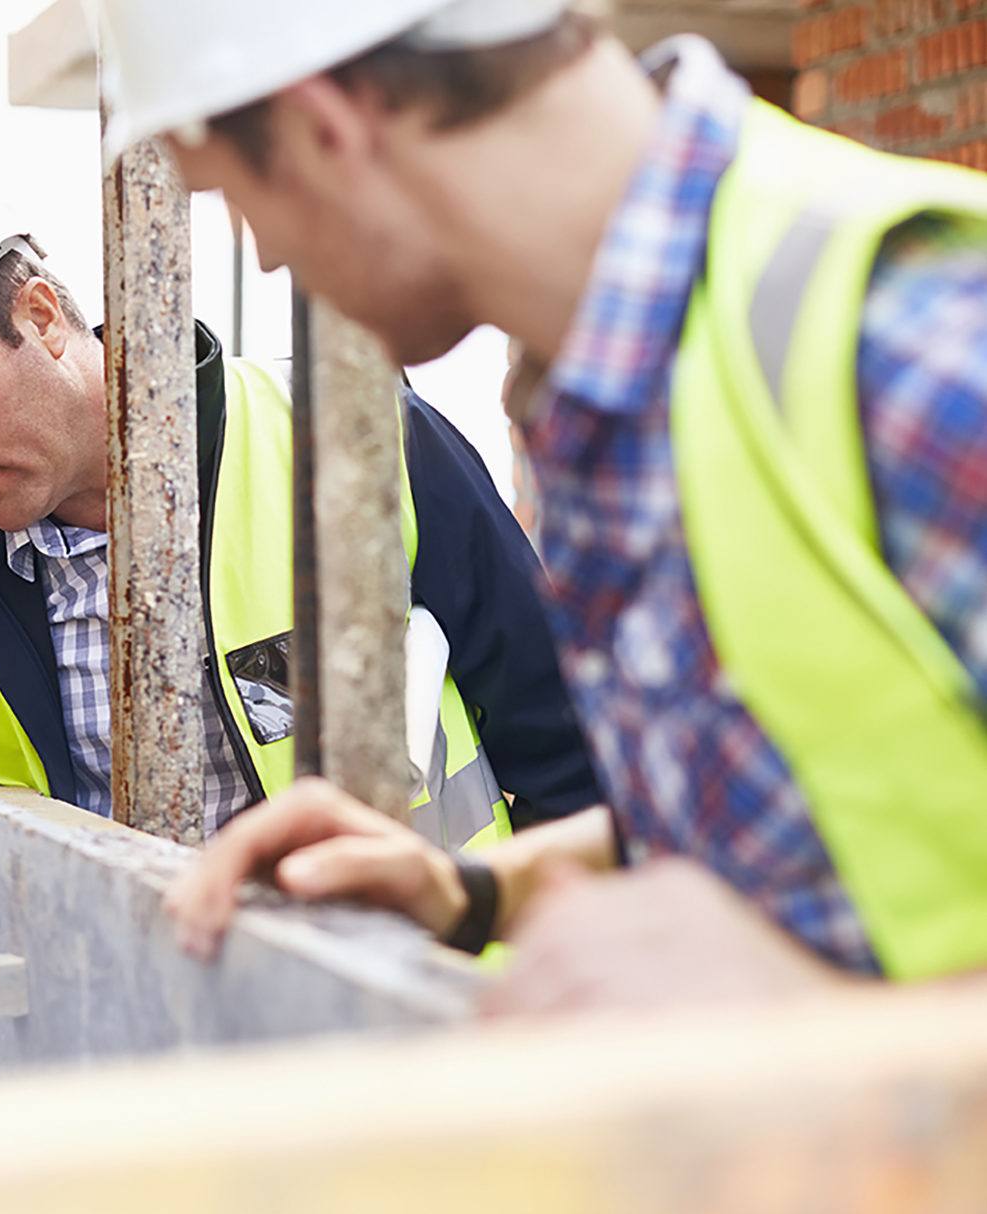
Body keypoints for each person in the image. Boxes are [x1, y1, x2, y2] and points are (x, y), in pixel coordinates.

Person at [92, 0, 987, 1006]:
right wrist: (473, 890)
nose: (263, 257)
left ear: (324, 130)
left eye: (237, 199)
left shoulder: (919, 346)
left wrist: (826, 1028)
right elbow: (814, 817)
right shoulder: (616, 377)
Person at [0, 169, 600, 943]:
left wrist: (570, 953)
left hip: (410, 1024)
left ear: (40, 314)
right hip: (137, 1047)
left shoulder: (353, 444)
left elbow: (563, 738)